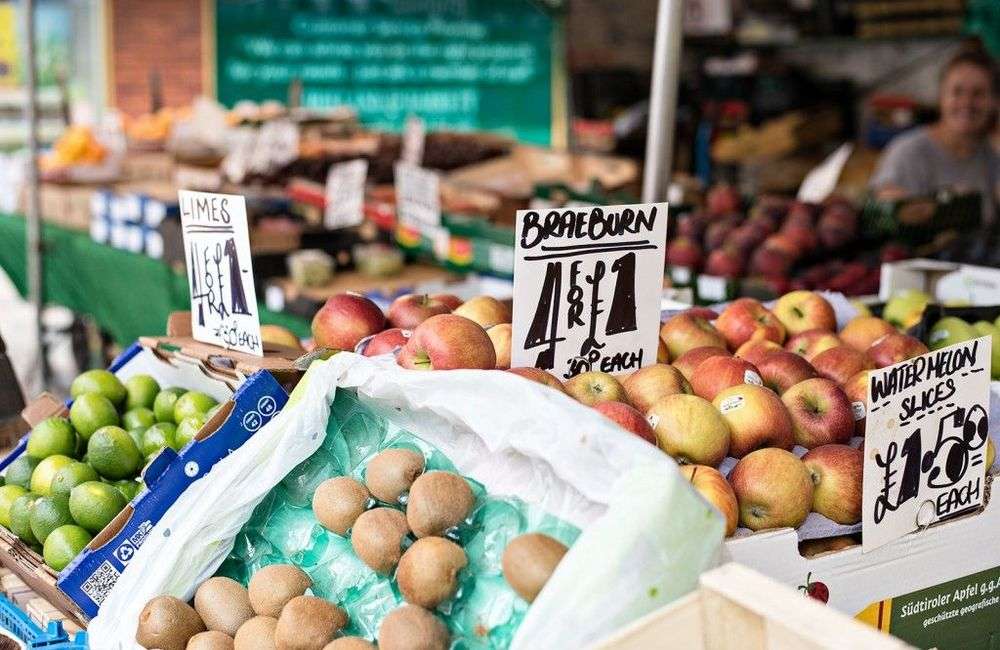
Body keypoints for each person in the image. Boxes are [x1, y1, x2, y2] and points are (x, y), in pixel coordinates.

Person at [870, 47, 999, 227]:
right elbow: (886, 213)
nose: (967, 102)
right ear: (941, 97)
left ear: (994, 102)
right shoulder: (908, 152)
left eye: (978, 94)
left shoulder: (992, 153)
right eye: (957, 92)